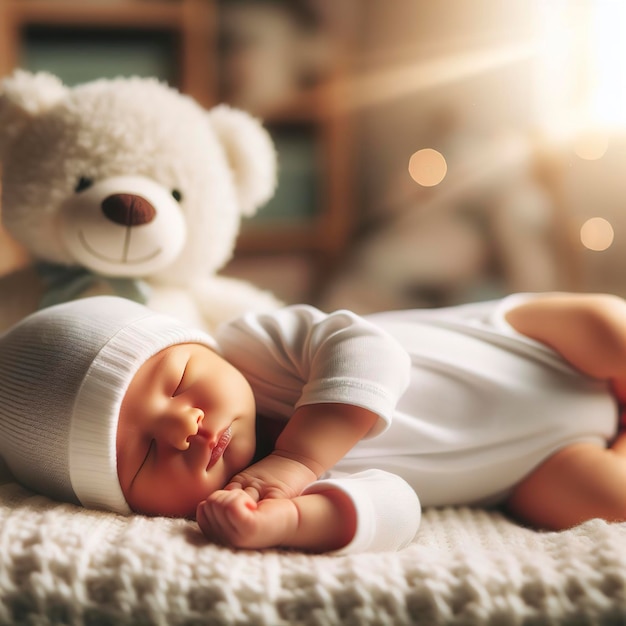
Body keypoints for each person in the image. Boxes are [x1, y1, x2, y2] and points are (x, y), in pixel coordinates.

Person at [0, 293, 624, 555]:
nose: (182, 427)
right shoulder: (243, 496)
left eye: (180, 382)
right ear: (132, 507)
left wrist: (297, 460)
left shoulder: (258, 345)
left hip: (538, 350)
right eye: (143, 458)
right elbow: (398, 508)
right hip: (542, 463)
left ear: (199, 348)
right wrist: (289, 521)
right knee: (594, 501)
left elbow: (374, 351)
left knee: (605, 324)